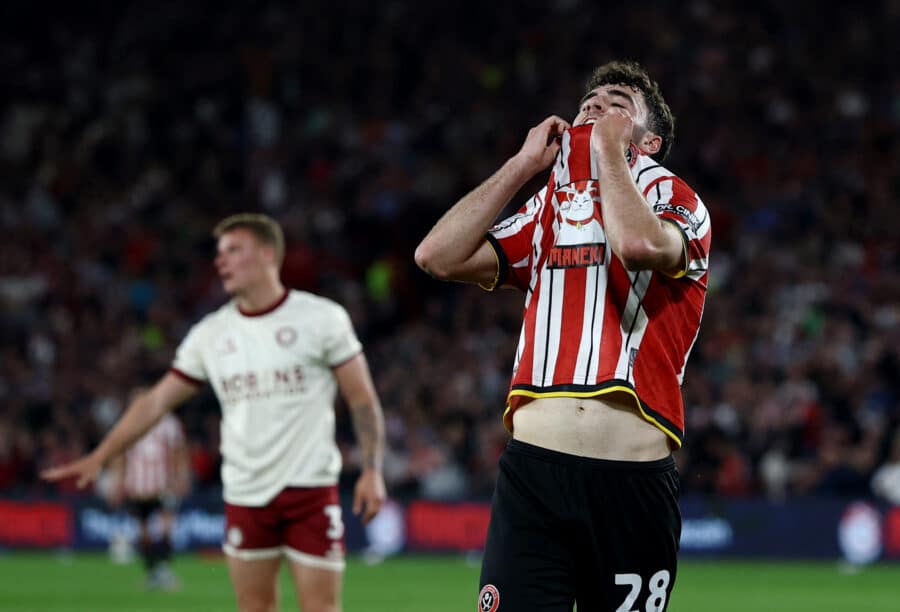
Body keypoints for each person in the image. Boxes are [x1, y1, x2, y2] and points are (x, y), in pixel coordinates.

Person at [415, 60, 710, 611]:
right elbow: (436, 255)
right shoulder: (545, 207)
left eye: (618, 100)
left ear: (649, 141)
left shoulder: (676, 198)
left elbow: (639, 246)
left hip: (632, 485)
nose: (596, 103)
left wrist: (606, 154)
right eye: (590, 98)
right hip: (534, 475)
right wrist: (522, 165)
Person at [43, 213, 387, 612]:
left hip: (309, 490)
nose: (221, 261)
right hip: (244, 493)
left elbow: (362, 399)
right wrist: (102, 454)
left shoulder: (321, 319)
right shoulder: (210, 334)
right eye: (219, 253)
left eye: (233, 250)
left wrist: (372, 469)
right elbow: (156, 401)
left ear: (267, 254)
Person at [108, 397, 190, 590]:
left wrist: (181, 477)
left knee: (167, 528)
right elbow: (119, 455)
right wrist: (117, 482)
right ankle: (153, 572)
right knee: (144, 533)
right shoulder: (128, 424)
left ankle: (164, 570)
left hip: (163, 485)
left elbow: (179, 452)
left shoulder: (169, 423)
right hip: (138, 488)